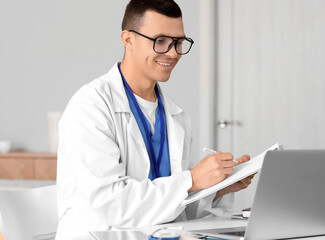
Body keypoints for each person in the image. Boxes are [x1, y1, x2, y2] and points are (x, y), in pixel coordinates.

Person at [55, 0, 254, 239]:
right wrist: (192, 180)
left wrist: (215, 189)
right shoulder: (90, 106)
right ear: (128, 39)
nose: (172, 53)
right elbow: (112, 204)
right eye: (160, 41)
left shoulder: (175, 114)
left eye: (179, 42)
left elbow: (173, 210)